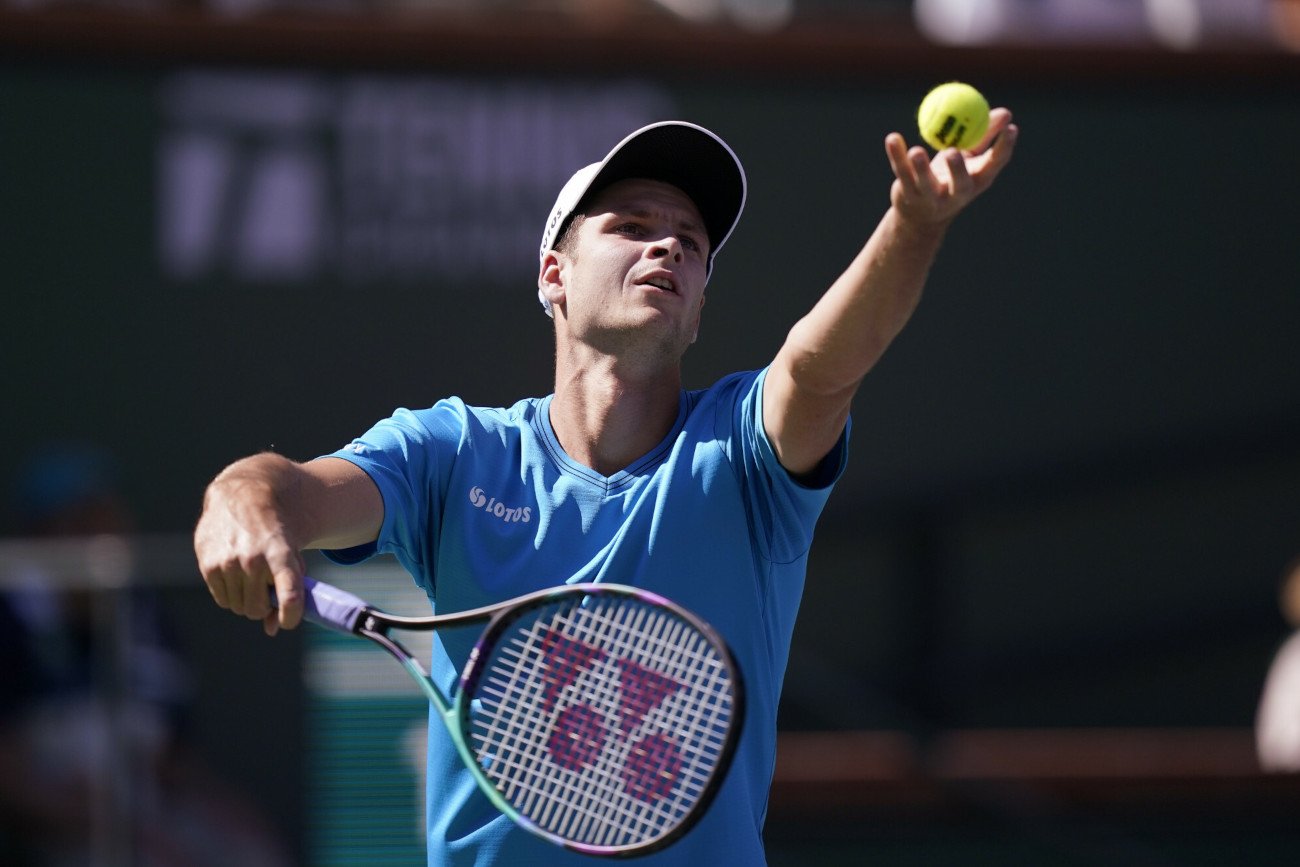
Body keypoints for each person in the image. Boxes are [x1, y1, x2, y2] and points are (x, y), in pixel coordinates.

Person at [194, 114, 1018, 863]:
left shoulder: (743, 450)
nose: (668, 249)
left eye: (690, 243)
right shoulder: (454, 451)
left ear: (696, 310)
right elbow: (294, 489)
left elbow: (820, 365)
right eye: (631, 227)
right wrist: (242, 504)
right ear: (554, 274)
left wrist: (912, 227)